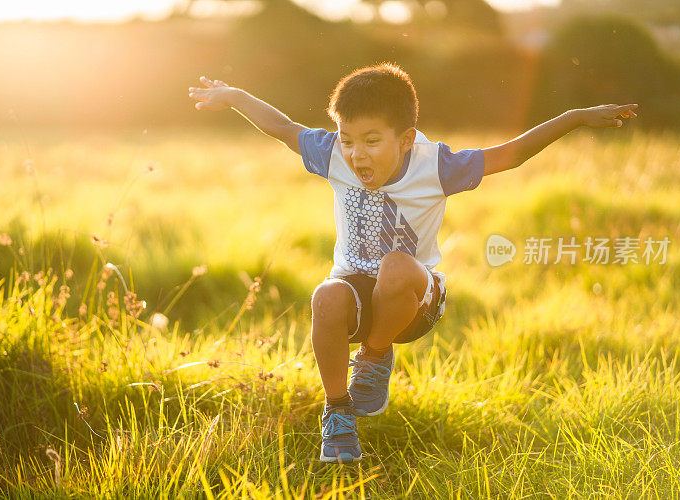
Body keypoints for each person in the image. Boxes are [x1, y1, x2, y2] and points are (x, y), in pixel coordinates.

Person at [188, 63, 639, 464]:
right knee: (326, 294)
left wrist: (576, 117)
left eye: (371, 141)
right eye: (347, 139)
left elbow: (511, 153)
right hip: (355, 300)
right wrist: (231, 97)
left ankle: (376, 356)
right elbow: (282, 126)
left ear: (404, 140)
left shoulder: (435, 166)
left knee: (397, 265)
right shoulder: (332, 155)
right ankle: (338, 411)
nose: (356, 154)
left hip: (415, 301)